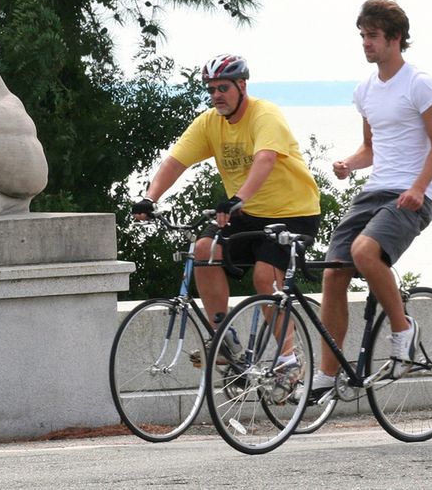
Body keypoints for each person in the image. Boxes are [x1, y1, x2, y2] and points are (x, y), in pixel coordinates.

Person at [132, 54, 321, 378]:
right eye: (212, 89)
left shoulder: (265, 115)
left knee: (264, 276)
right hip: (246, 213)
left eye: (223, 88)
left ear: (242, 85)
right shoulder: (210, 123)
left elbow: (265, 159)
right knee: (204, 249)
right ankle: (225, 340)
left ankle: (288, 359)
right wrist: (150, 198)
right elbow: (176, 162)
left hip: (293, 213)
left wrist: (237, 199)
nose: (217, 95)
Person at [312, 0, 432, 399]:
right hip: (374, 191)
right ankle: (328, 374)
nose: (366, 43)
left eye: (372, 36)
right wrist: (349, 164)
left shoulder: (419, 83)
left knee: (364, 252)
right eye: (362, 36)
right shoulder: (366, 91)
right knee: (333, 272)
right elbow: (371, 148)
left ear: (395, 38)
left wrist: (418, 188)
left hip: (411, 196)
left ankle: (403, 330)